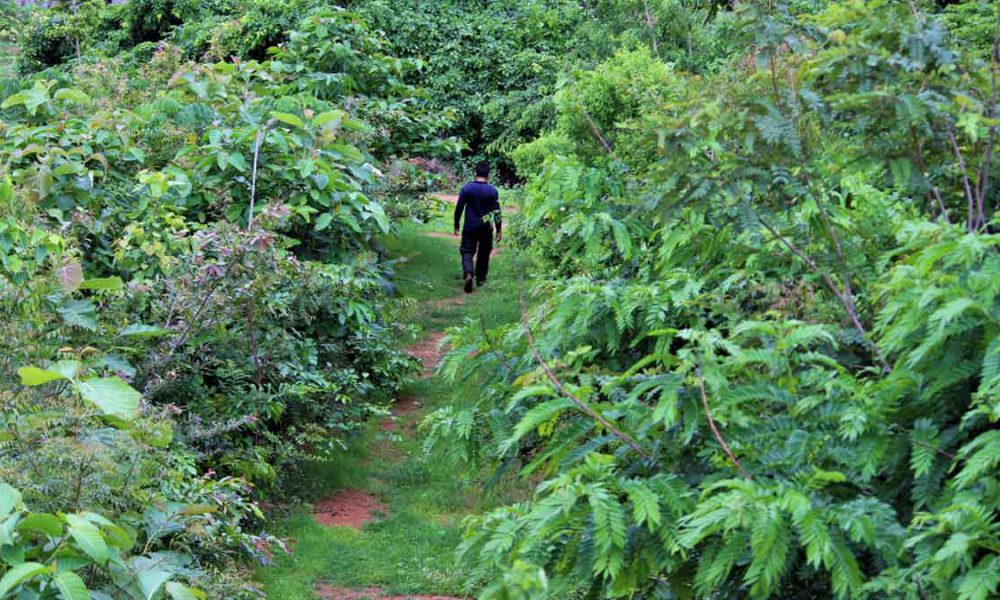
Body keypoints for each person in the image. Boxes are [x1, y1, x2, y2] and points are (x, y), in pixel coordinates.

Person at [454, 161, 502, 293]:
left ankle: (469, 273)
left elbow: (459, 207)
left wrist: (456, 224)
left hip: (470, 226)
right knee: (484, 253)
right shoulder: (492, 191)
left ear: (476, 173)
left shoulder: (467, 188)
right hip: (486, 227)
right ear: (488, 174)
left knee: (467, 251)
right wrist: (499, 230)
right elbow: (497, 211)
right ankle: (480, 280)